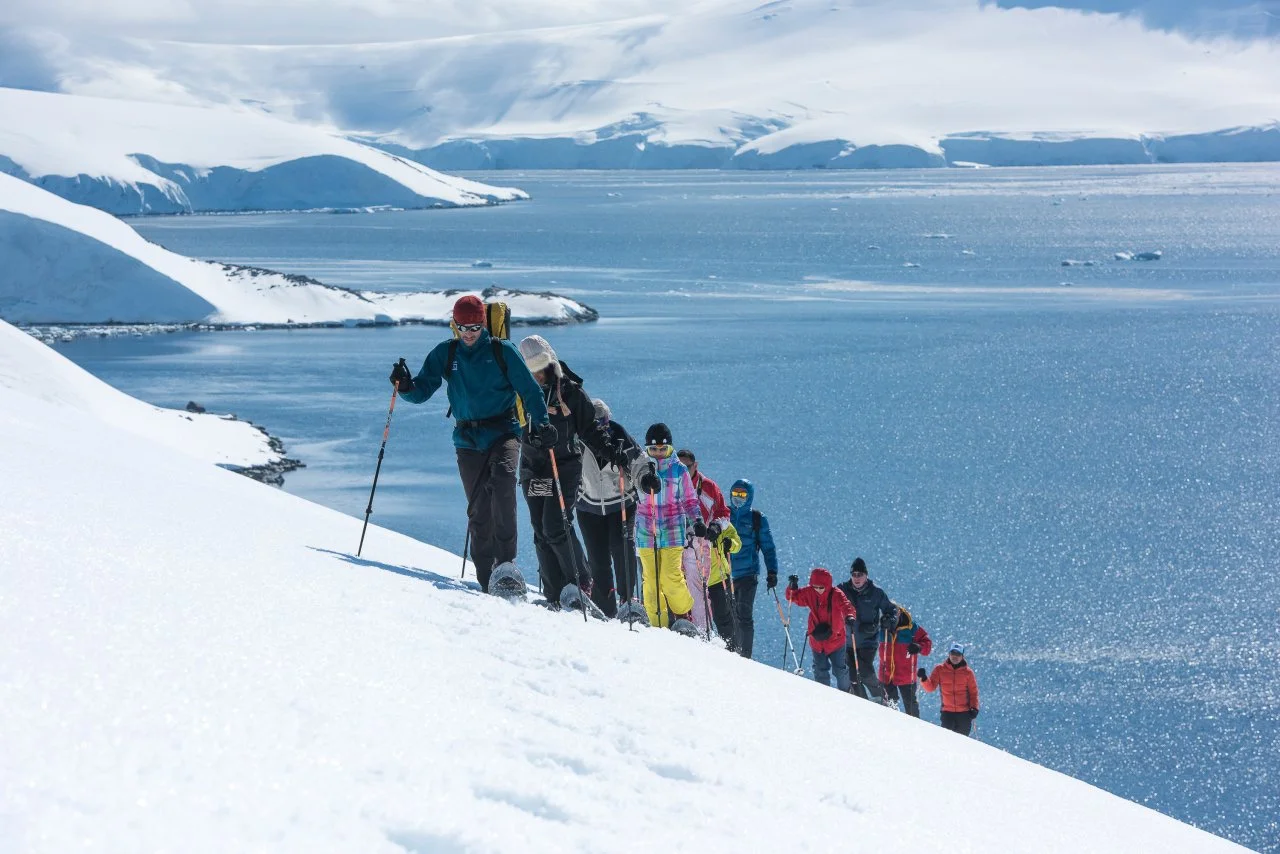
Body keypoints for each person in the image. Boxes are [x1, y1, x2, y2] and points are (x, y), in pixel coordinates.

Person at [389, 295, 552, 593]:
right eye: (463, 327)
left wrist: (541, 423)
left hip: (504, 431)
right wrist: (406, 385)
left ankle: (505, 565)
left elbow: (530, 391)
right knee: (478, 508)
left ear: (483, 324)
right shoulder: (446, 353)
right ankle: (484, 576)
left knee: (503, 483)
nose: (469, 333)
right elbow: (423, 389)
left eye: (475, 326)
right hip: (466, 438)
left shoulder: (503, 351)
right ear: (455, 325)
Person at [516, 335, 613, 607]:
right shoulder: (521, 389)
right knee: (540, 529)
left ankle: (580, 581)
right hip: (533, 467)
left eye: (541, 366)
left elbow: (589, 429)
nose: (537, 373)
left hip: (564, 466)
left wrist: (611, 452)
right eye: (531, 368)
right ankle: (554, 591)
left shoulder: (570, 391)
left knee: (555, 525)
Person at [576, 398, 653, 617]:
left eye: (605, 420)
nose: (603, 426)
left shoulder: (619, 433)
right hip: (588, 505)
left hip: (621, 502)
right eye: (598, 422)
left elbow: (638, 460)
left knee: (622, 548)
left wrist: (646, 479)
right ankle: (604, 604)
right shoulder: (578, 438)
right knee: (597, 557)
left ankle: (628, 601)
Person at [634, 423, 702, 629]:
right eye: (653, 449)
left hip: (673, 529)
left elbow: (690, 500)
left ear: (670, 448)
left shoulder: (678, 470)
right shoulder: (640, 467)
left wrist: (697, 520)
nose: (658, 453)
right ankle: (657, 625)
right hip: (646, 530)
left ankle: (683, 615)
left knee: (670, 577)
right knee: (651, 582)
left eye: (663, 449)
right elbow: (630, 496)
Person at [675, 449, 739, 639]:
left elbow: (724, 514)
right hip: (683, 553)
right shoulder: (672, 484)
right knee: (688, 602)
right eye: (680, 467)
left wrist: (716, 528)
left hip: (713, 563)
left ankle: (733, 652)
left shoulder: (709, 487)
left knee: (723, 615)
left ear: (695, 466)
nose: (684, 472)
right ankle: (696, 637)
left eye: (687, 467)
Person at [726, 479, 779, 659]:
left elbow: (768, 547)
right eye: (736, 494)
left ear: (749, 496)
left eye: (742, 495)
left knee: (744, 614)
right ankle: (729, 650)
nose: (738, 499)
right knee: (727, 614)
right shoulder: (724, 514)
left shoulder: (757, 519)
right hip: (725, 573)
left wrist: (772, 572)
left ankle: (744, 656)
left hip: (748, 574)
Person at [785, 567, 857, 691]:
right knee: (820, 670)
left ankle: (846, 695)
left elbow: (846, 605)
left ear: (827, 585)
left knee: (840, 670)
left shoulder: (836, 594)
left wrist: (850, 616)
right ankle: (824, 695)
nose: (818, 590)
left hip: (836, 640)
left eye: (821, 587)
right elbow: (793, 597)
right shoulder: (810, 592)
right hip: (817, 641)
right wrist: (792, 586)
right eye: (815, 586)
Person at [838, 557, 895, 700]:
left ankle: (882, 698)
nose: (856, 578)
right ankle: (862, 703)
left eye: (860, 575)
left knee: (865, 671)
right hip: (847, 639)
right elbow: (828, 600)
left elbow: (891, 610)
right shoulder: (842, 590)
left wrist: (889, 619)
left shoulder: (876, 593)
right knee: (851, 675)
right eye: (854, 575)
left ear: (866, 575)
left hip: (868, 640)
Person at [878, 604, 932, 717]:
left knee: (911, 710)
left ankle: (915, 731)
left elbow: (927, 646)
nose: (890, 617)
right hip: (886, 674)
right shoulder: (881, 626)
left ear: (899, 613)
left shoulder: (911, 628)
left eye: (893, 613)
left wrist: (919, 647)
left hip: (907, 676)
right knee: (888, 709)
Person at [920, 643, 980, 736]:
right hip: (947, 713)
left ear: (962, 656)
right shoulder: (939, 669)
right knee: (947, 741)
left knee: (961, 742)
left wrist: (974, 708)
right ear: (949, 654)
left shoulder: (968, 673)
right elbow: (930, 688)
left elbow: (973, 692)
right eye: (953, 653)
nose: (955, 656)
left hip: (964, 714)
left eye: (958, 654)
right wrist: (924, 678)